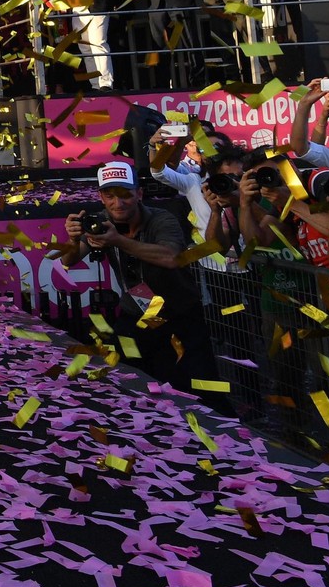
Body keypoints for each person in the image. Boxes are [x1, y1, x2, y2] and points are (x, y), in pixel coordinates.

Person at [64, 161, 224, 410]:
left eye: (126, 195)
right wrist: (73, 240)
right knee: (130, 387)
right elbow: (68, 261)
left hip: (179, 318)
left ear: (139, 194)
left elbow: (171, 257)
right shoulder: (102, 222)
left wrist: (117, 240)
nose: (119, 203)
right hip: (136, 316)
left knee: (203, 393)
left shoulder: (162, 218)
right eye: (111, 196)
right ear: (102, 198)